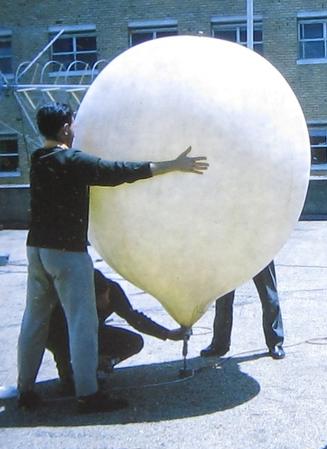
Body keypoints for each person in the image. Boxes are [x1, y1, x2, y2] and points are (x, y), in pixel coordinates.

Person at [17, 102, 208, 413]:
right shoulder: (71, 160)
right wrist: (172, 164)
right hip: (66, 252)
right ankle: (88, 395)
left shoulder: (39, 159)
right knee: (83, 323)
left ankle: (26, 391)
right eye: (73, 122)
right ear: (66, 128)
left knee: (34, 320)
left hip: (36, 249)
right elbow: (118, 171)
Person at [46, 269, 186, 394]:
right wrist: (68, 370)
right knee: (70, 386)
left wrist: (166, 333)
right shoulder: (71, 299)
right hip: (66, 336)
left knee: (134, 342)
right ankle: (71, 376)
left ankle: (100, 366)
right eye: (98, 299)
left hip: (94, 333)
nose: (104, 301)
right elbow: (56, 338)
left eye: (104, 295)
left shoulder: (112, 290)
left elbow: (133, 317)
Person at [200, 261, 285, 360]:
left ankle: (275, 342)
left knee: (269, 294)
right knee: (223, 295)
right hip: (229, 249)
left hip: (259, 249)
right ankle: (219, 344)